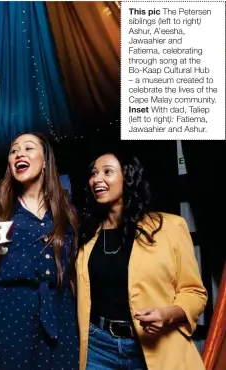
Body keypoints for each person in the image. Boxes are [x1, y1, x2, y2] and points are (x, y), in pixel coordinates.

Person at [76, 152, 207, 370]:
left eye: (107, 172)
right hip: (98, 349)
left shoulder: (169, 227)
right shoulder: (87, 235)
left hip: (154, 346)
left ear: (127, 178)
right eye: (93, 174)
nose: (96, 179)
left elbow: (194, 292)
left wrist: (167, 314)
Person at [0, 132, 80, 369]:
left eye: (28, 148)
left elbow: (72, 271)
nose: (20, 154)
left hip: (58, 315)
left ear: (45, 160)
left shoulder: (66, 210)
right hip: (2, 316)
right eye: (14, 150)